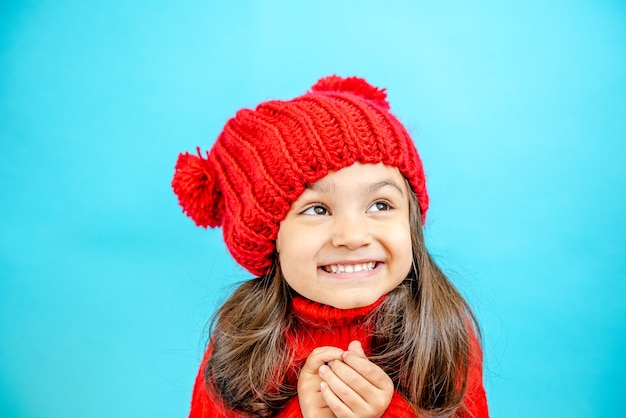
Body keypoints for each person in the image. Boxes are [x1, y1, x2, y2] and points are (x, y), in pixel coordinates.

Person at [172, 75, 489, 417]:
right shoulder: (241, 344)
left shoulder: (440, 331)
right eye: (318, 210)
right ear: (270, 241)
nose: (353, 236)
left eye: (381, 205)